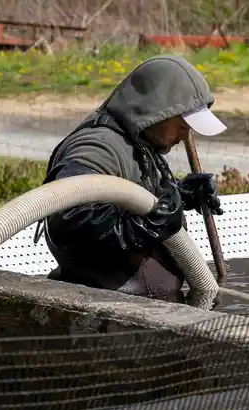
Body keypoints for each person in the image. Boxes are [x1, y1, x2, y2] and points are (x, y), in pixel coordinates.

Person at [35, 55, 226, 302]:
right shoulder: (98, 148)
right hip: (102, 308)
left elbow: (126, 195)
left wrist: (181, 193)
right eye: (183, 124)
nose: (186, 134)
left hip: (148, 305)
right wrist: (144, 226)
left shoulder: (139, 143)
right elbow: (69, 218)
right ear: (156, 112)